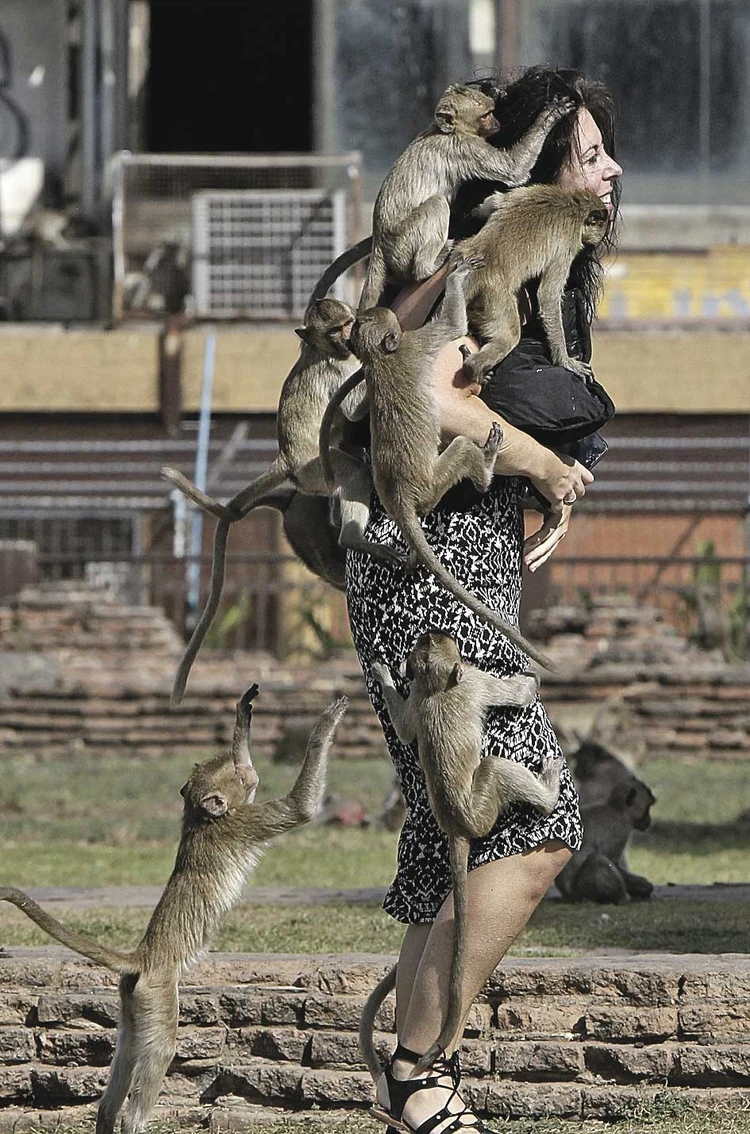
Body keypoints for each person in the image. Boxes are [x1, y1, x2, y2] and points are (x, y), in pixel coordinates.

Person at [345, 66, 623, 1134]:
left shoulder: (526, 262)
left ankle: (419, 1085)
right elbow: (407, 389)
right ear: (542, 167)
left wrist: (534, 487)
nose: (610, 170)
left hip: (460, 556)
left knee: (448, 832)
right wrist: (539, 466)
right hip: (426, 571)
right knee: (538, 818)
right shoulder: (459, 259)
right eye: (590, 153)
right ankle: (419, 1068)